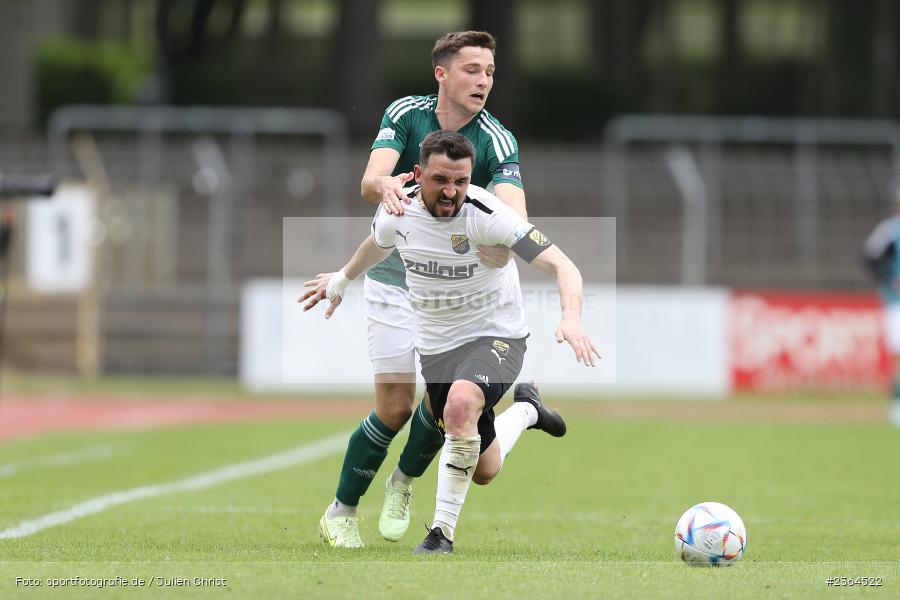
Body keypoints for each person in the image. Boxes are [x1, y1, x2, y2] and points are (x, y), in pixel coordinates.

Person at [302, 130, 600, 554]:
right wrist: (342, 279)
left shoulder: (486, 212)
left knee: (461, 402)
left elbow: (563, 266)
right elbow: (378, 244)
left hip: (497, 335)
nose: (452, 192)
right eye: (442, 180)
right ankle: (528, 410)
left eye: (460, 181)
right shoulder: (397, 210)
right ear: (419, 173)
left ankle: (440, 535)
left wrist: (571, 318)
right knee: (485, 466)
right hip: (438, 349)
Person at [314, 30, 529, 548]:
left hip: (458, 300)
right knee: (393, 407)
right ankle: (340, 512)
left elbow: (515, 212)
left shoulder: (496, 140)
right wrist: (387, 189)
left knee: (443, 410)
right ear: (442, 73)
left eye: (491, 72)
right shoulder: (406, 113)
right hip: (393, 281)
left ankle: (403, 482)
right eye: (473, 70)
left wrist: (498, 240)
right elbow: (372, 180)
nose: (484, 81)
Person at [863, 181, 900, 427]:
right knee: (898, 356)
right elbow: (868, 257)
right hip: (897, 303)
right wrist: (889, 279)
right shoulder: (889, 230)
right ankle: (897, 405)